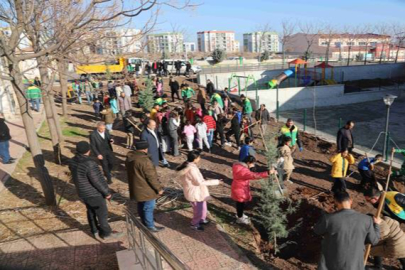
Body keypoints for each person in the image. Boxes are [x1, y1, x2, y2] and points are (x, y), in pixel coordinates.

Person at [69, 141, 123, 239]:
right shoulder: (90, 164)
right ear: (88, 151)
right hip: (93, 193)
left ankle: (95, 230)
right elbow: (97, 181)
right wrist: (107, 193)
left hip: (82, 192)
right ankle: (106, 233)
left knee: (90, 211)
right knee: (102, 214)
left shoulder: (72, 160)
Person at [314, 191, 381, 270]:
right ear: (351, 201)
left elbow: (317, 231)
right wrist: (376, 225)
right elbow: (374, 240)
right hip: (355, 264)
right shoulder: (366, 219)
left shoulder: (328, 219)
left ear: (336, 202)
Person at [126, 140, 165, 233]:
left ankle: (145, 222)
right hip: (146, 189)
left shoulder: (130, 157)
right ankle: (150, 226)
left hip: (136, 187)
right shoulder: (145, 161)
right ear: (145, 149)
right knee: (148, 207)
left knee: (141, 205)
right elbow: (151, 177)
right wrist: (159, 189)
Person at [177, 150, 221, 231]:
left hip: (198, 192)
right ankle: (194, 224)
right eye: (199, 157)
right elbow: (199, 182)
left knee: (203, 207)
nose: (200, 158)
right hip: (195, 193)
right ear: (195, 158)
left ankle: (202, 219)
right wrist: (216, 182)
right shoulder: (191, 169)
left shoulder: (189, 165)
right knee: (198, 210)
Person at [231, 156, 273, 224]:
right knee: (240, 203)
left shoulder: (238, 166)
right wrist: (267, 173)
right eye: (252, 163)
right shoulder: (243, 171)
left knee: (240, 203)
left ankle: (240, 214)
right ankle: (239, 218)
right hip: (240, 189)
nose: (253, 165)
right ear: (248, 163)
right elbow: (254, 176)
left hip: (237, 186)